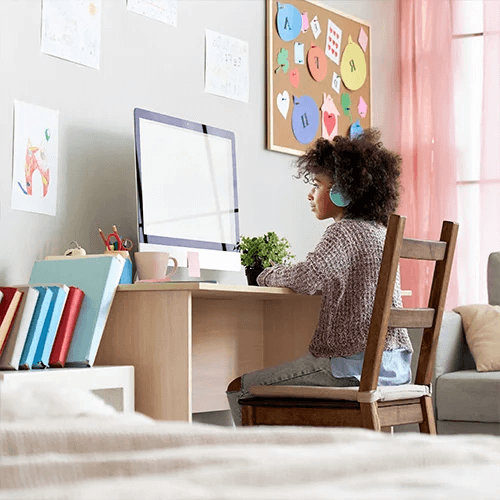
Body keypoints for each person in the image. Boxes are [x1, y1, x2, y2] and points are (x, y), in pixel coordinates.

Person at [226, 128, 413, 426]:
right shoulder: (380, 233)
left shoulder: (345, 231)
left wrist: (266, 274)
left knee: (241, 387)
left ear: (343, 191)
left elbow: (307, 277)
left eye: (317, 185)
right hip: (393, 367)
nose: (310, 194)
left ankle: (262, 466)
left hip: (350, 369)